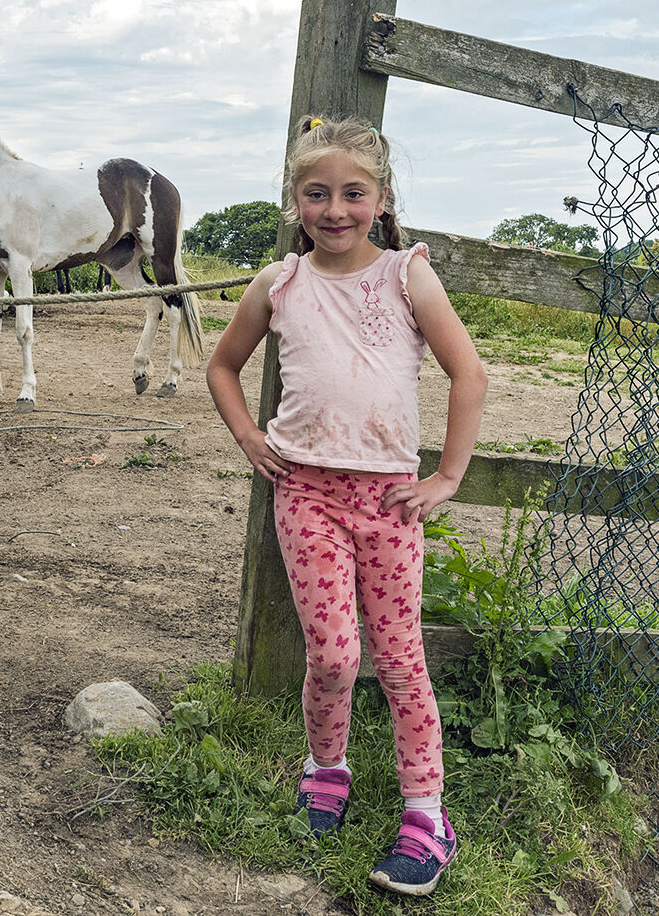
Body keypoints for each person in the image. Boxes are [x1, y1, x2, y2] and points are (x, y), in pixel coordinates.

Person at [207, 116, 488, 897]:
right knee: (333, 655)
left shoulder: (407, 276)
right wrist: (247, 436)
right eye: (316, 193)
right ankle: (326, 770)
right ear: (294, 200)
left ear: (382, 197)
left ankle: (426, 814)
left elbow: (470, 374)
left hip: (390, 500)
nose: (335, 209)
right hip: (306, 495)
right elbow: (224, 365)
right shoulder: (279, 284)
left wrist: (449, 477)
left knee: (401, 659)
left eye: (353, 193)